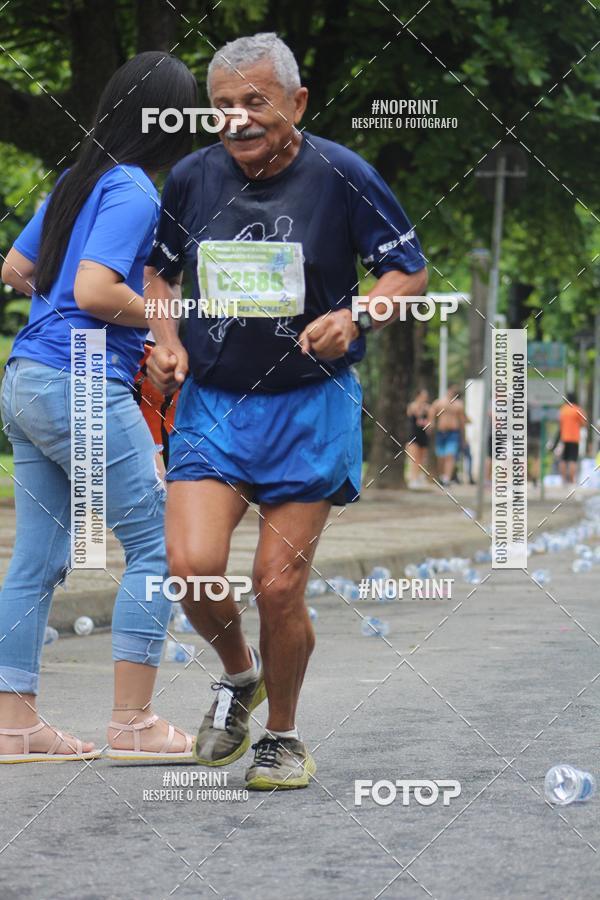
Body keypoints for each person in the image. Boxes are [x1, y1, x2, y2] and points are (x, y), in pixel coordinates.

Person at [145, 33, 428, 790]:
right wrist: (165, 340)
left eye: (255, 102)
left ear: (297, 103)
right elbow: (158, 272)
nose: (237, 119)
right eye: (222, 106)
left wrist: (358, 315)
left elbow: (408, 271)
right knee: (191, 568)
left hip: (311, 405)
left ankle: (284, 736)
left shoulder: (344, 174)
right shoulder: (191, 177)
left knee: (276, 585)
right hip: (215, 403)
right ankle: (241, 675)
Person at [0, 52, 198, 763]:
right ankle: (133, 722)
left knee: (36, 559)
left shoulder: (77, 181)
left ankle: (14, 726)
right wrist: (174, 313)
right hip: (78, 380)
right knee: (160, 545)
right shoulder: (135, 189)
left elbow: (16, 269)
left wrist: (73, 311)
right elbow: (93, 291)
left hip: (27, 377)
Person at [428, 383, 466, 486]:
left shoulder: (458, 405)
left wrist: (463, 438)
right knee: (441, 456)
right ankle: (442, 476)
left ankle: (447, 478)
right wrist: (431, 422)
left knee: (450, 455)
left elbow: (462, 422)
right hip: (441, 433)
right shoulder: (440, 402)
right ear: (448, 390)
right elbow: (432, 411)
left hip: (453, 433)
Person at [557, 392, 587, 484]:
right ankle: (571, 480)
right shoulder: (577, 410)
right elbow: (584, 423)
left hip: (564, 437)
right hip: (574, 438)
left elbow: (559, 423)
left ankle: (563, 479)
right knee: (573, 459)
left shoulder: (563, 410)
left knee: (563, 459)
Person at [406, 388, 430, 489]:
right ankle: (413, 478)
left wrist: (427, 423)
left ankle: (418, 477)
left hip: (423, 434)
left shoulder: (428, 407)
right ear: (418, 396)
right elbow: (414, 414)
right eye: (423, 396)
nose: (425, 398)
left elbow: (430, 420)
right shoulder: (412, 405)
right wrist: (421, 408)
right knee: (414, 458)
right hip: (413, 434)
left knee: (422, 458)